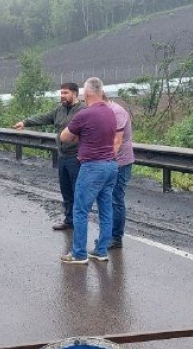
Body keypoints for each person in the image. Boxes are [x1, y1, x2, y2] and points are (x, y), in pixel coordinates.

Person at [58, 77, 118, 264]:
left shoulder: (85, 114)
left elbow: (64, 137)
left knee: (80, 210)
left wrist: (79, 136)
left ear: (86, 94)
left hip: (92, 166)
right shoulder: (110, 112)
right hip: (111, 166)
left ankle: (79, 254)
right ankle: (101, 251)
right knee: (106, 210)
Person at [13, 82, 85, 231]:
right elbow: (44, 118)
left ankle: (79, 224)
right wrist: (25, 122)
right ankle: (69, 220)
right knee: (66, 191)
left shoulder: (83, 110)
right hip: (63, 156)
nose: (62, 95)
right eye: (61, 93)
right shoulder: (59, 109)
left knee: (78, 192)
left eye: (65, 93)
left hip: (77, 158)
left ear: (75, 93)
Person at [103, 93, 135, 249]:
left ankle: (116, 238)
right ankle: (108, 235)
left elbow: (116, 141)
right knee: (107, 199)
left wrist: (106, 161)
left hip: (120, 162)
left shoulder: (117, 112)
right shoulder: (105, 111)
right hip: (109, 161)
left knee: (116, 199)